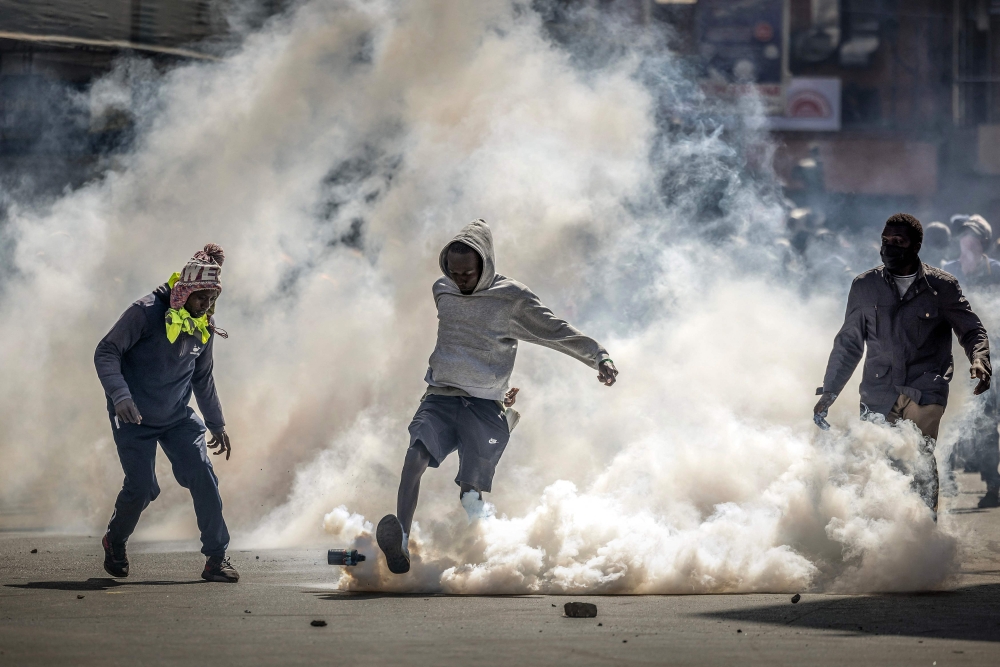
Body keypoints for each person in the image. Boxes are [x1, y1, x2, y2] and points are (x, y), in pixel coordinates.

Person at [376, 220, 619, 574]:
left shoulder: (511, 298)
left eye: (468, 273)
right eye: (454, 272)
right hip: (441, 397)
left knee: (471, 492)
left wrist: (599, 356)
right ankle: (399, 543)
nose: (460, 280)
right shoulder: (442, 289)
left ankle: (489, 555)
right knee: (414, 459)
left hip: (486, 407)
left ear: (485, 264)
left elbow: (556, 331)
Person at [814, 213, 992, 518]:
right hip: (878, 390)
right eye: (885, 240)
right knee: (878, 463)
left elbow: (971, 329)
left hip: (925, 387)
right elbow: (849, 344)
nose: (889, 247)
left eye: (898, 242)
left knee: (918, 456)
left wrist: (979, 358)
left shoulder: (941, 286)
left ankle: (923, 532)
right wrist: (830, 390)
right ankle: (884, 539)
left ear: (916, 246)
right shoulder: (864, 286)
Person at [94, 244, 239, 582]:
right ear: (184, 290)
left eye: (211, 298)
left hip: (176, 415)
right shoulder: (144, 313)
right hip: (133, 414)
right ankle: (114, 541)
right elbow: (106, 351)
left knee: (203, 473)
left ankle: (216, 559)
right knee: (143, 487)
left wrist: (216, 423)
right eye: (200, 297)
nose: (206, 305)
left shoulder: (205, 323)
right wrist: (119, 395)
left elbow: (202, 376)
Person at [942, 215, 1000, 507]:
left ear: (983, 242)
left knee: (988, 422)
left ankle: (993, 486)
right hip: (953, 354)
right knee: (947, 415)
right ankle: (945, 478)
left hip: (990, 355)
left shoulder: (996, 271)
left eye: (974, 237)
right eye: (965, 236)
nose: (968, 241)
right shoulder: (947, 271)